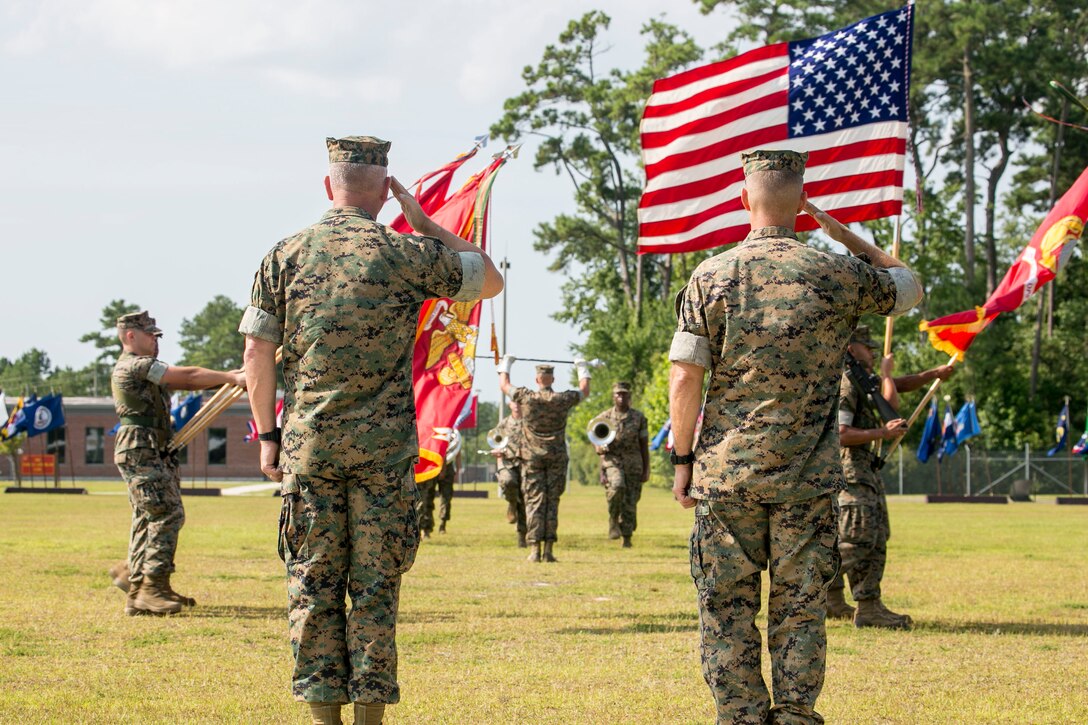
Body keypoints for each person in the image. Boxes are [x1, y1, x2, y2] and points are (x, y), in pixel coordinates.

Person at [239, 135, 502, 725]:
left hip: (310, 448)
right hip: (384, 454)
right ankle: (369, 721)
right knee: (376, 588)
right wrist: (424, 221)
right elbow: (488, 280)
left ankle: (324, 720)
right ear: (386, 191)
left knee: (313, 585)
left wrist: (268, 437)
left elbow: (257, 350)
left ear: (327, 185)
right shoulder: (407, 253)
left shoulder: (286, 253)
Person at [668, 149, 923, 725]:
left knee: (727, 608)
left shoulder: (712, 274)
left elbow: (685, 375)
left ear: (743, 199)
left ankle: (740, 715)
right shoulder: (837, 273)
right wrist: (836, 229)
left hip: (727, 476)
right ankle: (796, 715)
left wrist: (683, 459)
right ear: (801, 202)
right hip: (807, 481)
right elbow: (908, 285)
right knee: (800, 607)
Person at [108, 310, 244, 616]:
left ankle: (141, 579)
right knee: (166, 513)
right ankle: (149, 589)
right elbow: (189, 378)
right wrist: (231, 377)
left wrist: (233, 376)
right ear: (131, 335)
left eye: (157, 336)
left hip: (152, 445)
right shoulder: (136, 366)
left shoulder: (140, 365)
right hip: (141, 446)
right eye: (150, 335)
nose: (156, 341)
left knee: (150, 514)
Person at [828, 326, 955, 628]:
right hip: (850, 473)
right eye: (866, 347)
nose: (872, 352)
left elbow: (895, 388)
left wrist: (930, 375)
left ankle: (868, 606)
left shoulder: (862, 380)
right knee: (857, 539)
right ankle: (812, 592)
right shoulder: (846, 383)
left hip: (867, 470)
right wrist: (881, 433)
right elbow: (840, 434)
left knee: (877, 538)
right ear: (850, 348)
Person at [497, 358, 591, 563]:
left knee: (534, 502)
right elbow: (585, 390)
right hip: (556, 459)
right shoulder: (562, 399)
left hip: (532, 460)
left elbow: (504, 385)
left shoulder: (526, 398)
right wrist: (581, 367)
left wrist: (506, 365)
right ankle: (548, 550)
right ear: (552, 379)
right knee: (552, 502)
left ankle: (534, 550)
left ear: (537, 379)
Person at [591, 381, 649, 547]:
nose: (621, 397)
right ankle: (613, 519)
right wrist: (599, 449)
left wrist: (646, 469)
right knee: (616, 487)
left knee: (631, 501)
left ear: (629, 396)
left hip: (633, 463)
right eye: (618, 394)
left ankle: (627, 538)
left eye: (624, 394)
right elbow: (595, 438)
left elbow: (644, 445)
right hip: (613, 461)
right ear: (613, 396)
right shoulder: (604, 418)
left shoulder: (639, 418)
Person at [490, 399, 527, 547]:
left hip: (526, 463)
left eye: (520, 402)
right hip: (508, 463)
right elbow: (495, 440)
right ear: (510, 405)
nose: (517, 405)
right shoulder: (504, 424)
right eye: (514, 402)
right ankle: (511, 503)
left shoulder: (528, 423)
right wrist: (497, 451)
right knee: (508, 482)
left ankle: (522, 537)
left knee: (524, 499)